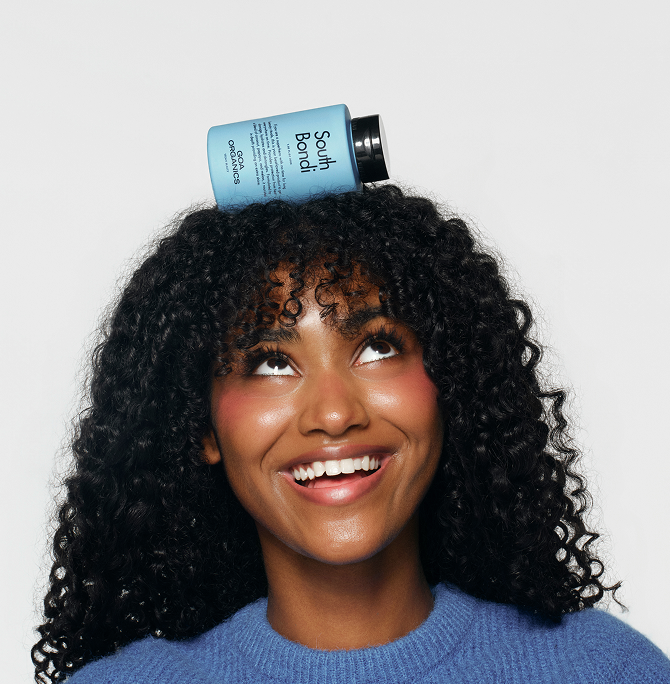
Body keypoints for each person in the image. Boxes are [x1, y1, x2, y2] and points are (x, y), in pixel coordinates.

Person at [33, 185, 670, 683]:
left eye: (377, 347)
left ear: (450, 382)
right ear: (202, 426)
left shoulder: (604, 672)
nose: (334, 414)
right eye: (271, 362)